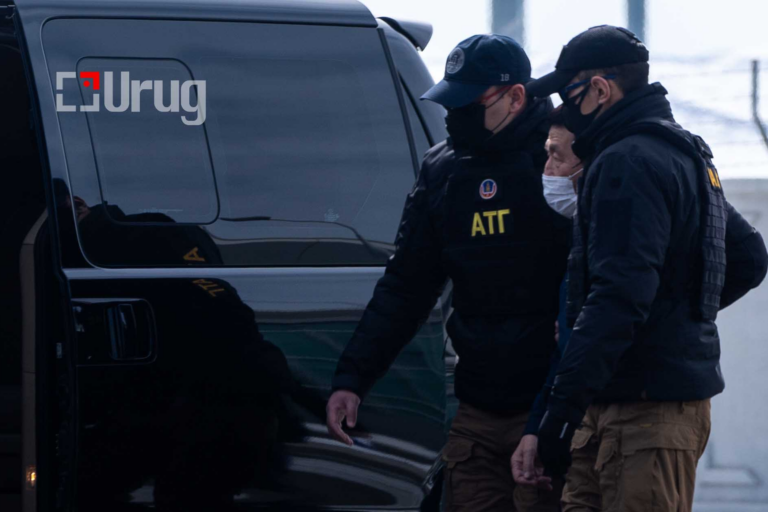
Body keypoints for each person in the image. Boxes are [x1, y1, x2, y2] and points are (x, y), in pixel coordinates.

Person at [524, 25, 768, 511]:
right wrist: (673, 318)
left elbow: (618, 296)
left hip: (640, 416)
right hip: (642, 407)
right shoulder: (682, 151)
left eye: (569, 95)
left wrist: (559, 412)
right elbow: (747, 257)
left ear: (600, 90)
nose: (567, 110)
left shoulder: (626, 160)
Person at [326, 34, 571, 511]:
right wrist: (353, 378)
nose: (455, 116)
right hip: (477, 411)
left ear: (515, 98)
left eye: (468, 104)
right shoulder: (443, 170)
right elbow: (405, 286)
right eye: (450, 103)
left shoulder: (560, 161)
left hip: (550, 409)